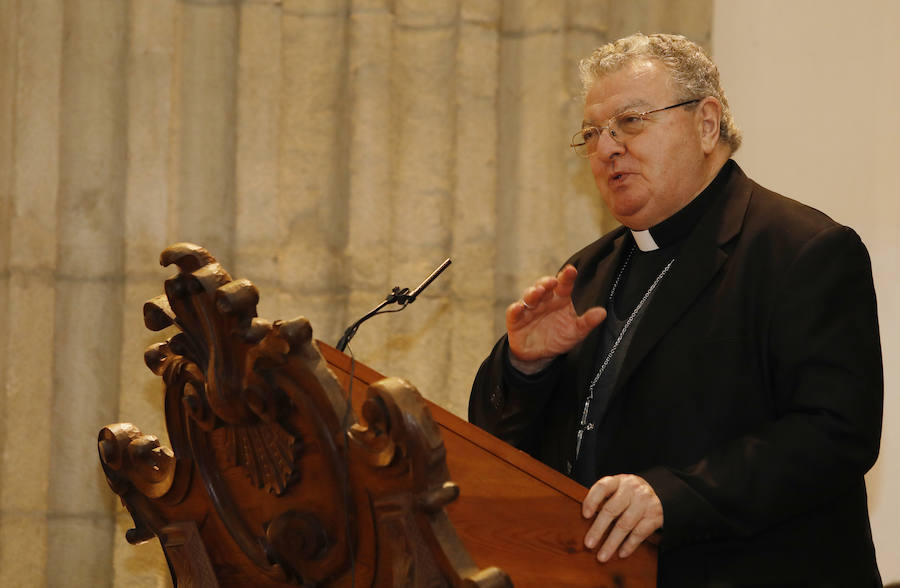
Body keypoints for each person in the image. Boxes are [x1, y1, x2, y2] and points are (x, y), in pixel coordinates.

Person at [468, 33, 883, 586]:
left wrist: (673, 495)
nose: (607, 147)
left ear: (706, 123)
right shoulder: (587, 271)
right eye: (593, 133)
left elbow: (836, 433)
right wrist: (525, 367)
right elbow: (497, 439)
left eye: (631, 121)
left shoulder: (801, 250)